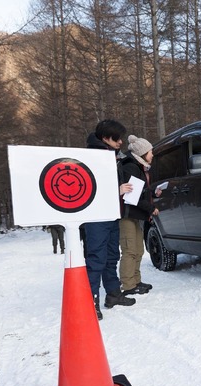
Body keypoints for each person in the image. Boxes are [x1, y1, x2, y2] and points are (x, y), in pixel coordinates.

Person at [84, 119, 135, 320]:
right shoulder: (91, 157)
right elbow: (88, 189)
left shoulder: (112, 156)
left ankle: (113, 294)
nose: (120, 142)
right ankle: (90, 303)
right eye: (117, 138)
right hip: (96, 216)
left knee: (112, 255)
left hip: (112, 214)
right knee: (96, 258)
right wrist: (117, 190)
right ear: (105, 138)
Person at [118, 135, 159, 296]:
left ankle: (136, 280)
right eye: (150, 152)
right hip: (127, 215)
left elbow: (140, 191)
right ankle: (128, 285)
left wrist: (152, 192)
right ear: (142, 153)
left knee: (138, 250)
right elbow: (132, 197)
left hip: (135, 215)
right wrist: (150, 208)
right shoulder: (130, 167)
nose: (152, 155)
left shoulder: (138, 167)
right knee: (130, 250)